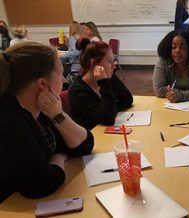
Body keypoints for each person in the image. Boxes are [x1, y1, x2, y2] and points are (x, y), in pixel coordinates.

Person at [0, 42, 94, 202]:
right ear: (42, 84)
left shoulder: (40, 108)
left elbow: (83, 146)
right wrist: (58, 157)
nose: (64, 80)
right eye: (61, 73)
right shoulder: (8, 118)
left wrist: (58, 114)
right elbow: (40, 184)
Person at [68, 38, 133, 129]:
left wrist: (110, 109)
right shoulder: (78, 90)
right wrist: (103, 83)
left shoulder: (108, 77)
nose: (114, 66)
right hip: (93, 137)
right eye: (109, 61)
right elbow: (107, 119)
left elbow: (127, 99)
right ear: (94, 63)